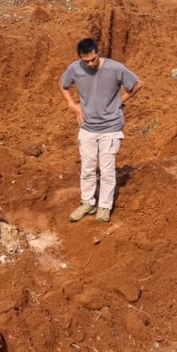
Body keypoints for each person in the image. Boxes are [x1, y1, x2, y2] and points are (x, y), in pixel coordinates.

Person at [58, 38, 143, 223]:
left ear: (98, 52)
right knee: (87, 168)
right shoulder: (75, 68)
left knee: (106, 169)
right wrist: (72, 105)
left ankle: (104, 206)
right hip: (87, 127)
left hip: (110, 128)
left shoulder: (115, 68)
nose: (90, 64)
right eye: (86, 61)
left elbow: (136, 84)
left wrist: (120, 101)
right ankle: (87, 203)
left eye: (93, 59)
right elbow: (63, 85)